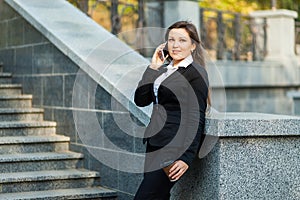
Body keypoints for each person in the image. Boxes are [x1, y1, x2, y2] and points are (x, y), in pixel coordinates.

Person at [134, 21, 209, 200]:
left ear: (193, 46)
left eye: (182, 40)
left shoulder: (195, 73)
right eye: (171, 40)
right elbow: (141, 99)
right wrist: (153, 67)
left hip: (173, 147)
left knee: (145, 197)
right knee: (159, 196)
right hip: (154, 143)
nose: (175, 45)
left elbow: (195, 117)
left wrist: (186, 158)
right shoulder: (164, 70)